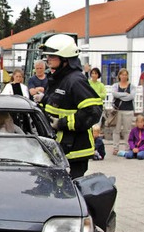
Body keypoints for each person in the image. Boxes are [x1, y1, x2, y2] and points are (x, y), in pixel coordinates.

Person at [39, 34, 103, 179]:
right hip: (61, 148)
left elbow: (93, 111)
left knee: (69, 192)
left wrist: (62, 123)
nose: (48, 59)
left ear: (65, 59)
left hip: (74, 151)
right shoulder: (59, 78)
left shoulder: (75, 80)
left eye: (52, 56)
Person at [111, 68, 136, 155]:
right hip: (118, 110)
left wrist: (120, 96)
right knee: (116, 130)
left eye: (125, 75)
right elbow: (115, 94)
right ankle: (115, 147)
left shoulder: (131, 86)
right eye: (122, 74)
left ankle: (127, 147)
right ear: (119, 76)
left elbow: (131, 96)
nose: (124, 76)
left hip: (128, 110)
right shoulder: (115, 85)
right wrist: (125, 94)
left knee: (127, 130)